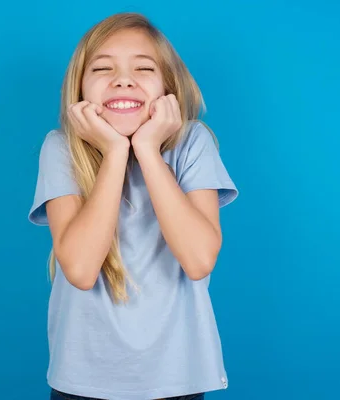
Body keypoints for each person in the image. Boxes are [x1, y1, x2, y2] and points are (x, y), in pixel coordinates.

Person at [28, 12, 239, 400]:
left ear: (167, 88)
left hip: (178, 377)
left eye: (143, 68)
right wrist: (114, 152)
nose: (123, 79)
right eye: (102, 68)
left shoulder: (192, 143)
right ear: (79, 90)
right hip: (83, 381)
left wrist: (146, 148)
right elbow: (79, 268)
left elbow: (198, 260)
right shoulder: (60, 148)